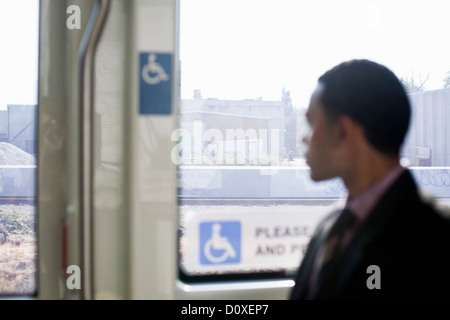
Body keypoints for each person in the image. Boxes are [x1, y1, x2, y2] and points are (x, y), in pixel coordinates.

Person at [290, 59, 450, 300]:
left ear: (343, 131)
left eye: (311, 125)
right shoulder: (331, 226)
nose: (304, 139)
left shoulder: (434, 241)